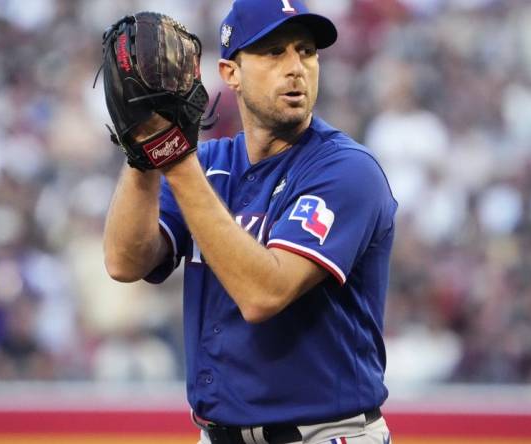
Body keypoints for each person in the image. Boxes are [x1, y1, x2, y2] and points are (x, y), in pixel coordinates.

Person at [102, 1, 397, 443]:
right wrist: (142, 148)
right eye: (274, 52)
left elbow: (264, 294)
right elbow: (126, 262)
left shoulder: (346, 170)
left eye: (306, 51)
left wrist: (176, 160)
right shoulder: (211, 165)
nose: (296, 67)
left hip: (325, 433)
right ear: (230, 72)